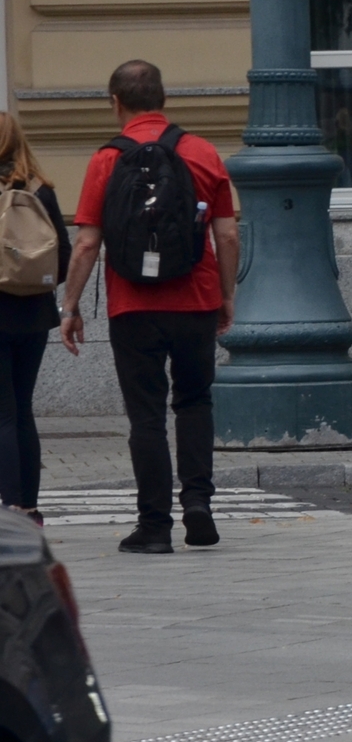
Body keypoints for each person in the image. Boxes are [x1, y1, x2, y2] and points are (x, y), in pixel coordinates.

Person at [60, 61, 239, 554]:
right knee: (195, 401)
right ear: (163, 99)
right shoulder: (202, 152)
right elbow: (226, 232)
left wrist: (70, 306)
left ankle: (154, 527)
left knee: (146, 418)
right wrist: (225, 295)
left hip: (132, 305)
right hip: (195, 298)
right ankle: (199, 503)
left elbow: (86, 243)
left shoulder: (105, 160)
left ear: (116, 103)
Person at [0, 116, 69, 524]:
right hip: (33, 313)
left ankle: (8, 507)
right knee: (23, 408)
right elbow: (62, 252)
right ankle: (29, 506)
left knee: (2, 413)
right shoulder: (43, 190)